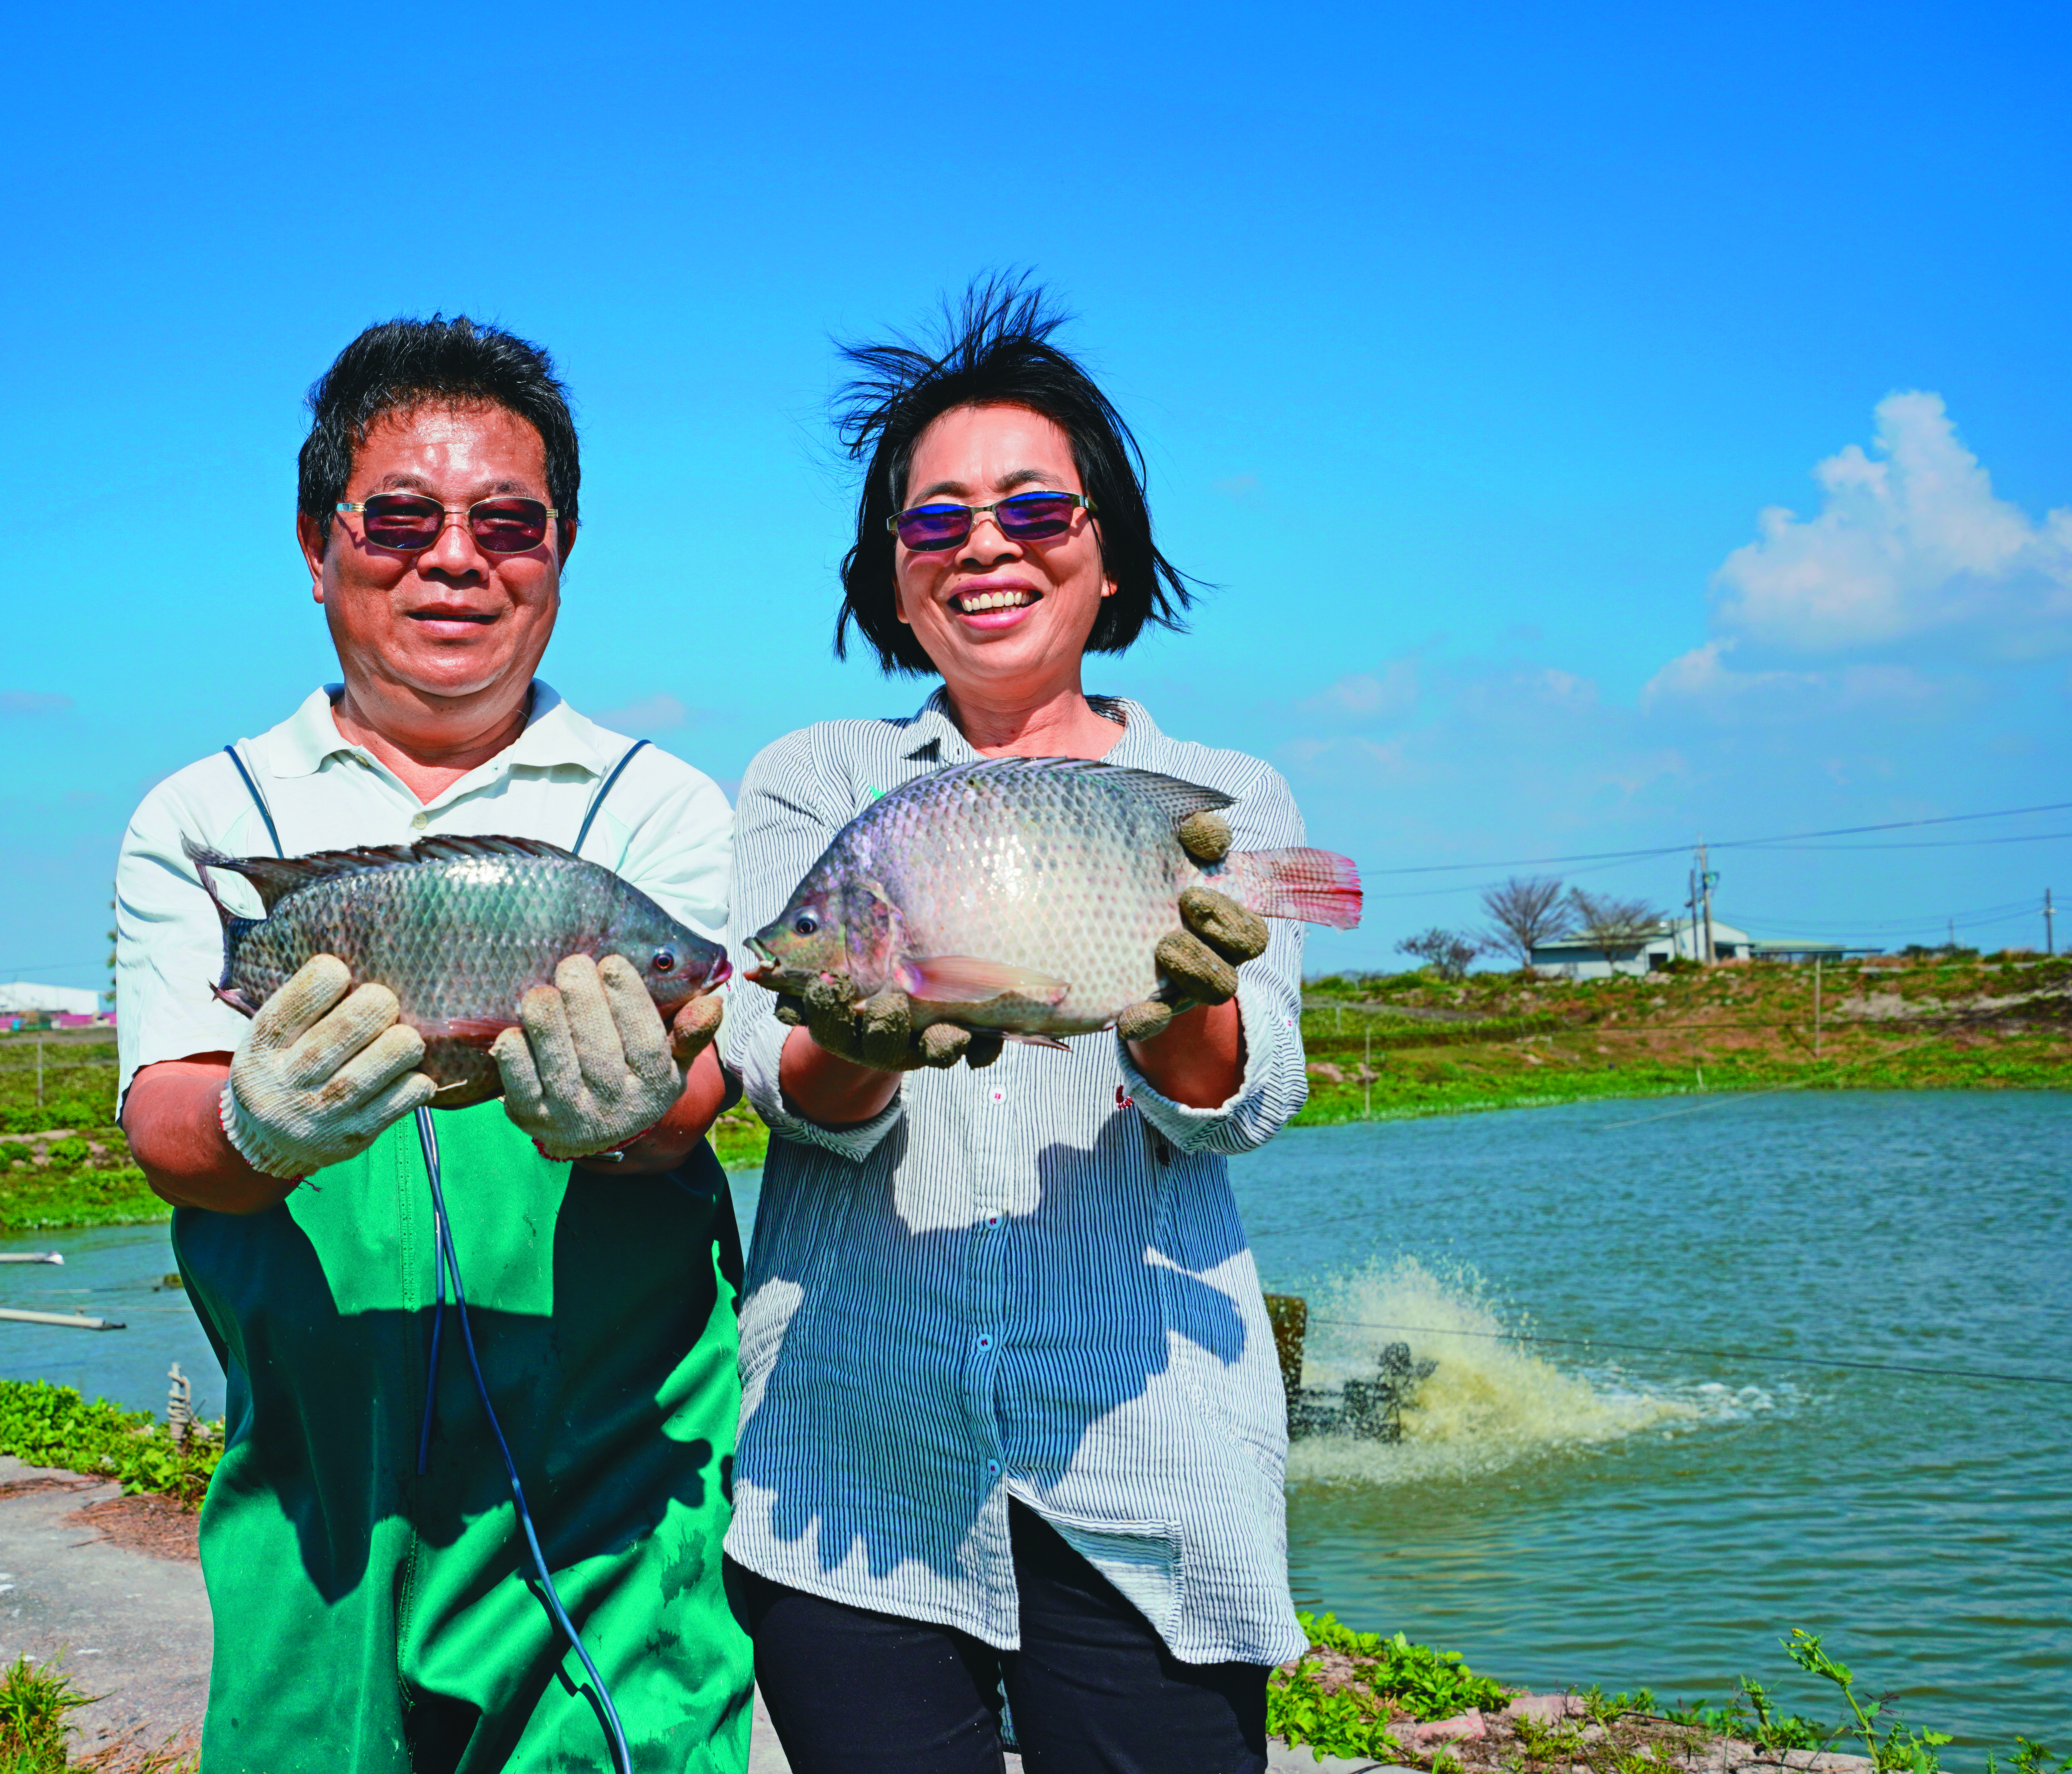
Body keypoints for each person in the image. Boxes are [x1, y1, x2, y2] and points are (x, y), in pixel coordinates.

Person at [115, 315, 754, 1773]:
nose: (453, 557)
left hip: (608, 1502)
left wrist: (635, 1112)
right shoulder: (206, 818)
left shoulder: (659, 807)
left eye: (505, 523)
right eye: (399, 516)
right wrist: (256, 1132)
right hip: (311, 1498)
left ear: (561, 546)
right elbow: (163, 1112)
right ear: (315, 538)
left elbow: (698, 1093)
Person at [722, 280, 1312, 1774]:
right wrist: (862, 1031)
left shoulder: (1219, 798)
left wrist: (1178, 1009)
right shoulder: (817, 776)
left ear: (1107, 553)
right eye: (936, 522)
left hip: (1145, 1463)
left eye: (1035, 510)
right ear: (890, 575)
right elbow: (776, 1078)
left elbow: (1234, 1104)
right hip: (849, 1468)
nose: (986, 545)